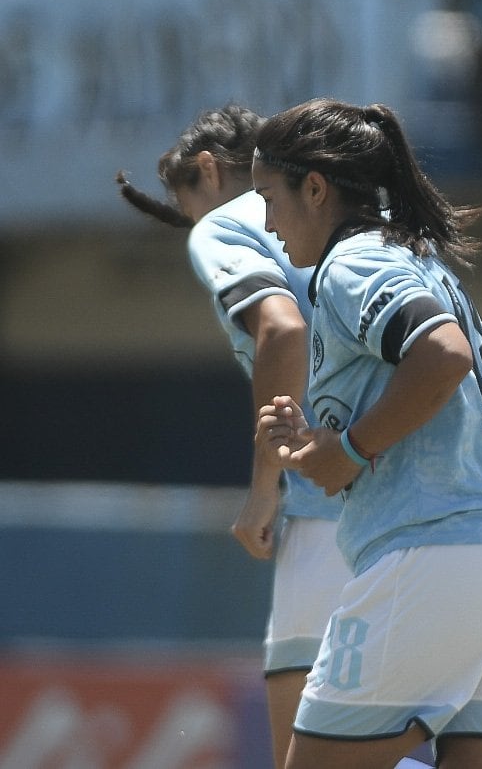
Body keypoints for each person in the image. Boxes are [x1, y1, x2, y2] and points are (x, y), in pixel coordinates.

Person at [253, 98, 482, 769]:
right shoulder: (423, 260)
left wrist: (349, 449)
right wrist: (325, 444)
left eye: (268, 197)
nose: (266, 222)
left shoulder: (351, 263)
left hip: (439, 554)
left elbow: (445, 356)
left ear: (314, 188)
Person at [117, 104, 348, 769]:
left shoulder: (224, 224)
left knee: (305, 754)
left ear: (212, 171)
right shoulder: (350, 218)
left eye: (190, 205)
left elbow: (283, 332)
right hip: (430, 511)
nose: (195, 225)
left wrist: (263, 489)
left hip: (330, 509)